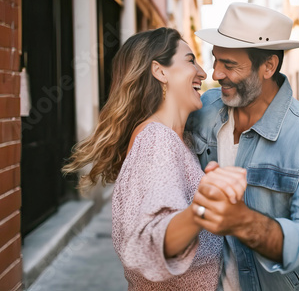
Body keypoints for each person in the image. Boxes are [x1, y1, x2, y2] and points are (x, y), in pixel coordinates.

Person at [62, 27, 248, 290]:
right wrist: (202, 208)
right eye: (189, 60)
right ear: (160, 71)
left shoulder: (176, 139)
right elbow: (153, 240)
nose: (203, 73)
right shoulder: (157, 139)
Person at [186, 2, 299, 290]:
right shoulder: (203, 110)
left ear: (268, 66)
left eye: (230, 65)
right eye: (216, 60)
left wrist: (244, 222)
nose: (216, 74)